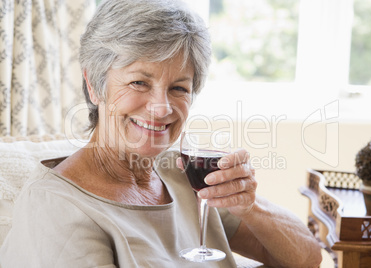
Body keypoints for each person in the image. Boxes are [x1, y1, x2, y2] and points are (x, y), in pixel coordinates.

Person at [0, 0, 322, 267]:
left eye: (179, 88)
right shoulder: (54, 207)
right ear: (94, 85)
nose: (161, 107)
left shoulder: (183, 174)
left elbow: (307, 257)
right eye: (139, 82)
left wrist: (249, 205)